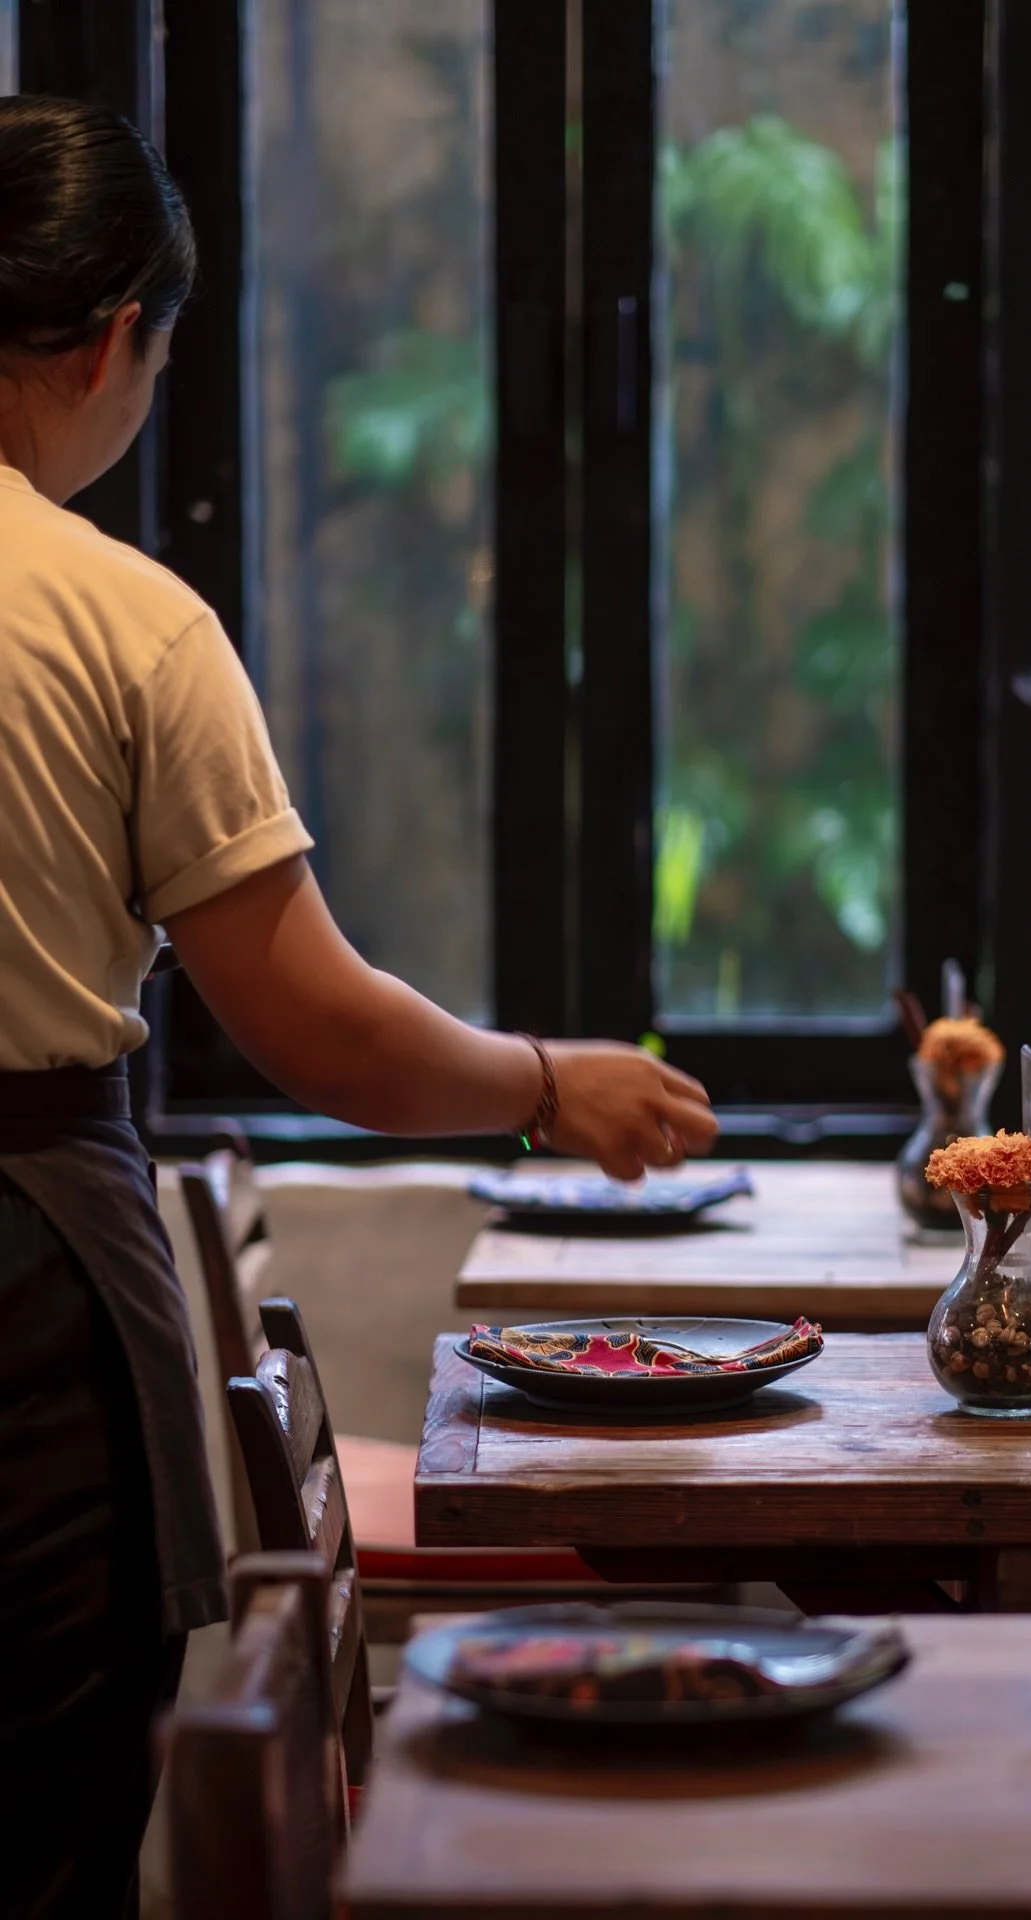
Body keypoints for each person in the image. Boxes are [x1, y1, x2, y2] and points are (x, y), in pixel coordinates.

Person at [0, 93, 716, 1918]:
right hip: (19, 1299)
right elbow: (314, 1025)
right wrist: (547, 1081)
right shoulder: (114, 621)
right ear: (106, 342)